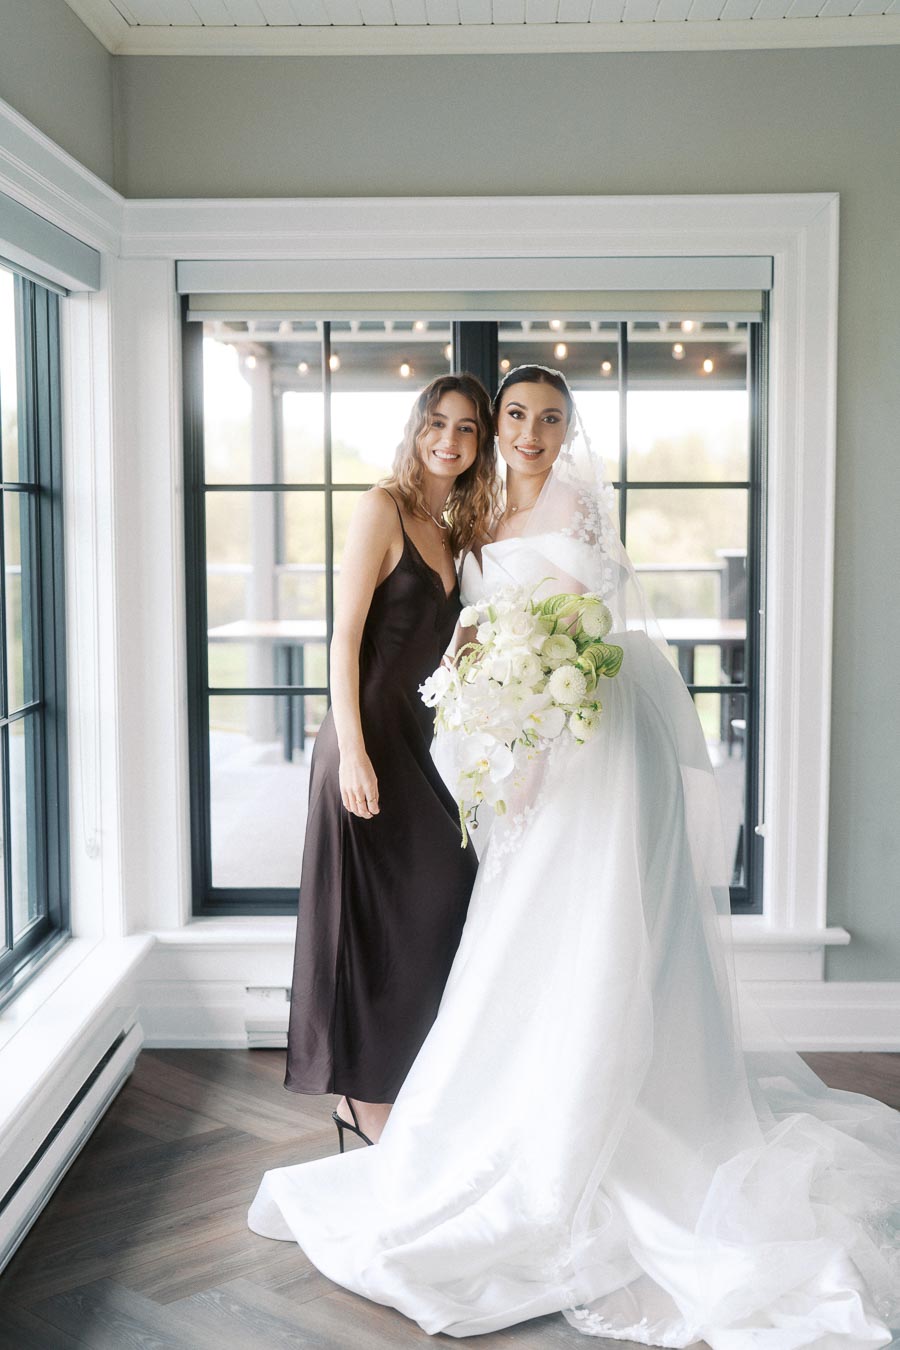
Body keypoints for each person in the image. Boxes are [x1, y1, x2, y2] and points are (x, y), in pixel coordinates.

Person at [249, 365, 900, 1347]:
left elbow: (586, 627)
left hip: (583, 746)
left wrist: (537, 717)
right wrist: (498, 732)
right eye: (512, 416)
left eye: (547, 418)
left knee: (578, 924)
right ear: (473, 428)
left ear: (565, 429)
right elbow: (460, 638)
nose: (528, 433)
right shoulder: (464, 508)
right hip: (508, 755)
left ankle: (586, 1114)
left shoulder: (572, 502)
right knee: (503, 930)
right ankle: (442, 1098)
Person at [282, 372, 498, 1150]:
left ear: (480, 446)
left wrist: (487, 650)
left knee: (447, 889)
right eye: (437, 423)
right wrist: (352, 756)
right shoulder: (383, 508)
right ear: (416, 430)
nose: (450, 439)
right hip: (363, 736)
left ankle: (396, 1081)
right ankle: (364, 1103)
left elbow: (439, 651)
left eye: (467, 429)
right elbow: (343, 638)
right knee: (365, 920)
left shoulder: (452, 528)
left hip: (414, 737)